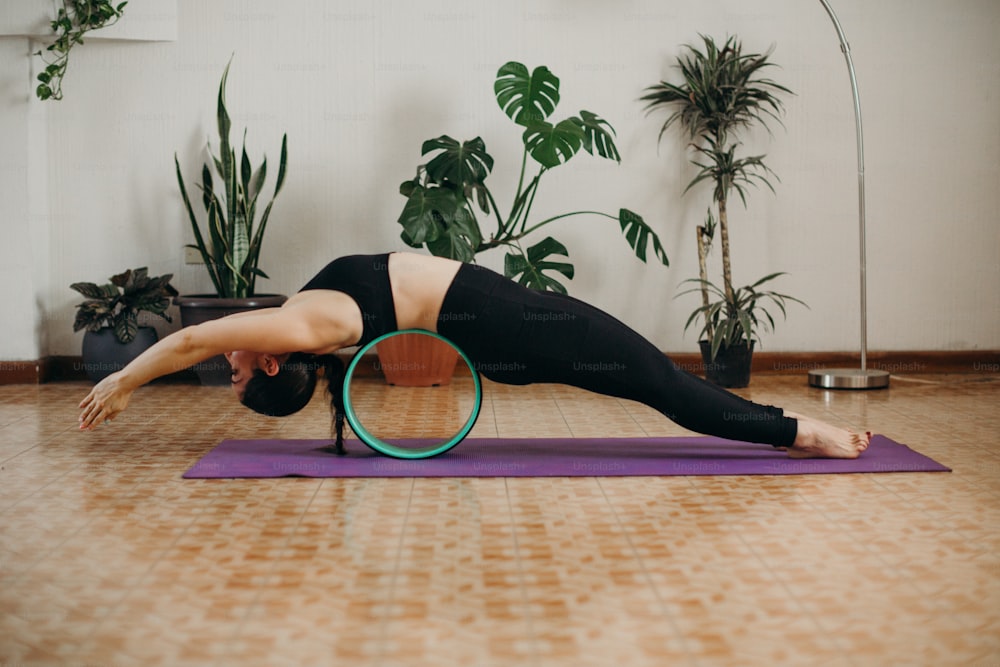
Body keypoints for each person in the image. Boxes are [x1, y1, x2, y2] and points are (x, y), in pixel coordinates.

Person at [79, 252, 871, 459]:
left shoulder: (298, 321)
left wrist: (124, 374)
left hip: (507, 328)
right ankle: (801, 430)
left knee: (657, 382)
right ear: (277, 365)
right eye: (242, 374)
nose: (232, 364)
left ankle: (790, 428)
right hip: (509, 329)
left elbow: (189, 338)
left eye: (237, 370)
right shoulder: (302, 328)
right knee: (662, 384)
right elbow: (187, 339)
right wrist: (128, 376)